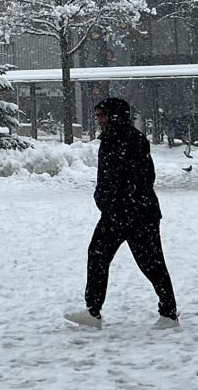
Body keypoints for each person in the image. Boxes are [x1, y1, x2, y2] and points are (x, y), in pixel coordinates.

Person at [65, 96, 179, 330]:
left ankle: (168, 313)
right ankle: (93, 311)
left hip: (134, 213)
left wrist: (118, 200)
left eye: (101, 115)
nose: (98, 119)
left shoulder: (130, 140)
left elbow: (143, 176)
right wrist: (106, 200)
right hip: (121, 212)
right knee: (101, 256)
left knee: (150, 263)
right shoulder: (112, 139)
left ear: (113, 116)